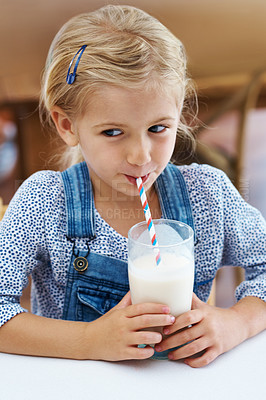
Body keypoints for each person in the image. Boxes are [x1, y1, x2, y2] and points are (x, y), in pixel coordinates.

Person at [0, 5, 265, 368]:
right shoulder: (45, 203)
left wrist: (236, 322)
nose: (141, 157)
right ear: (67, 125)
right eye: (113, 132)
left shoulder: (208, 195)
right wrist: (88, 340)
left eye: (158, 128)